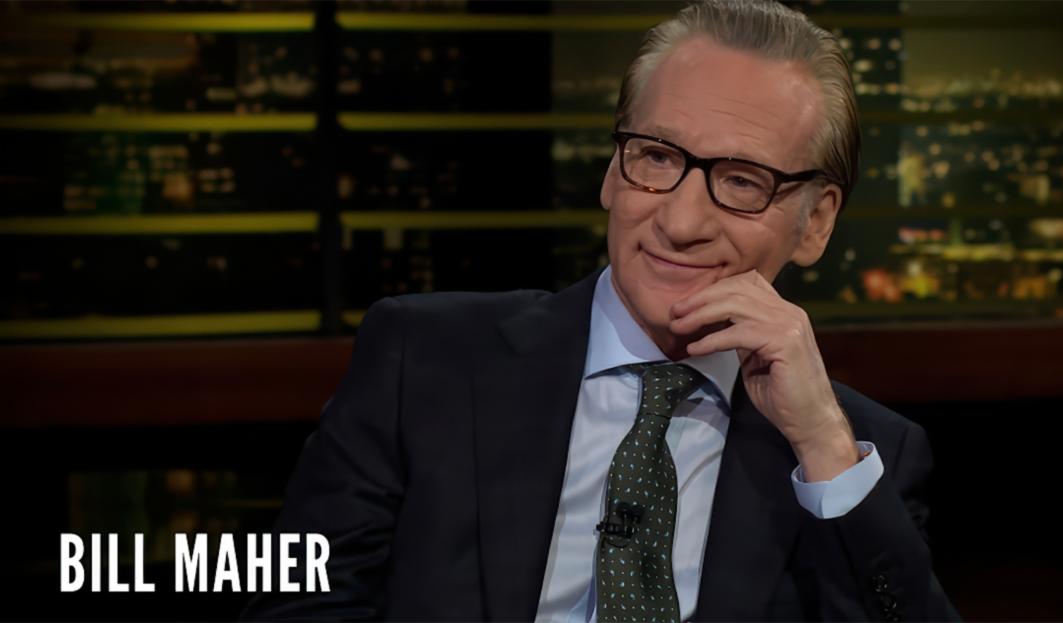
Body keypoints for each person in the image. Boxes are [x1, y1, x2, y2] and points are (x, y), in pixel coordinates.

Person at [243, 1, 959, 620]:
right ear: (614, 171)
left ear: (816, 222)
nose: (680, 221)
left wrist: (824, 446)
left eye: (743, 181)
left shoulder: (860, 458)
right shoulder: (423, 361)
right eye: (657, 157)